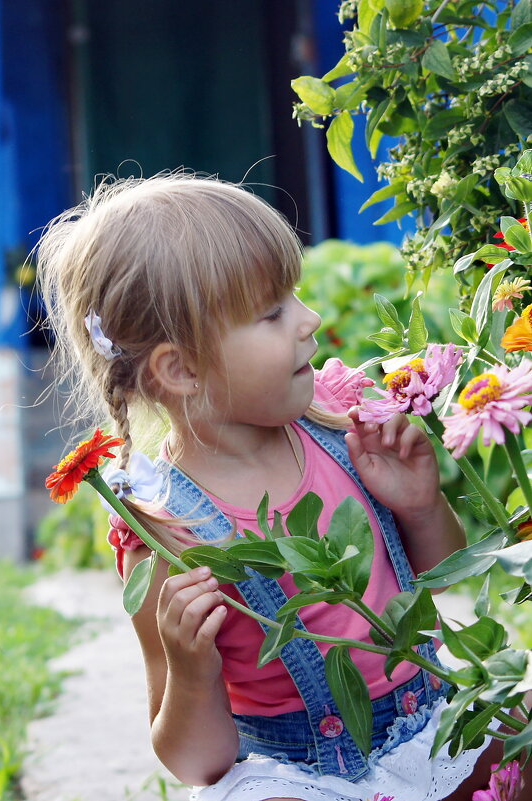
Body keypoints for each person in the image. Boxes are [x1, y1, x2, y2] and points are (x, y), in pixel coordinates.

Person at [36, 172, 519, 801]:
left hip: (432, 725)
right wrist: (190, 673)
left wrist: (420, 505)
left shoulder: (336, 427)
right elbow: (195, 763)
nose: (310, 319)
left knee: (523, 722)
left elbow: (446, 575)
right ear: (180, 368)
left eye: (294, 297)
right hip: (300, 773)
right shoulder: (162, 531)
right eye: (273, 312)